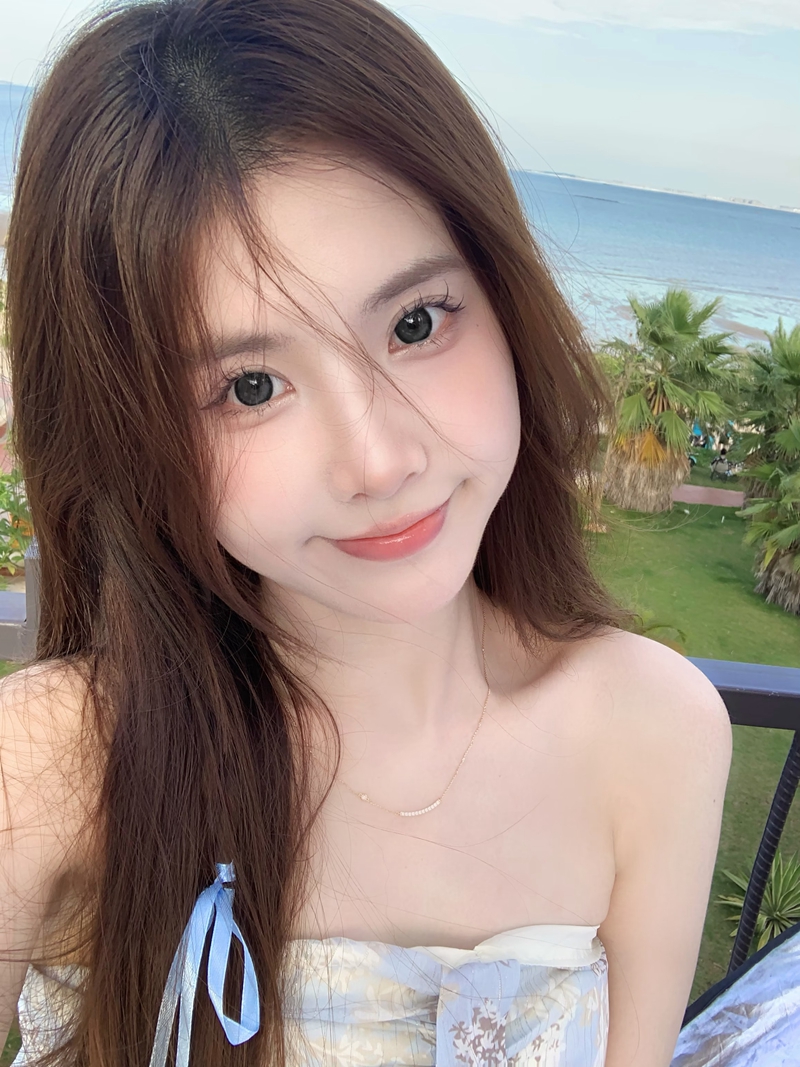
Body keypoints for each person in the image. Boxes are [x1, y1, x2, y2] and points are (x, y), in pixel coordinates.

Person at [0, 1, 732, 1064]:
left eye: (415, 322)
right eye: (250, 386)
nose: (379, 459)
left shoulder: (651, 731)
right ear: (133, 435)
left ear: (503, 296)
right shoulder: (51, 766)